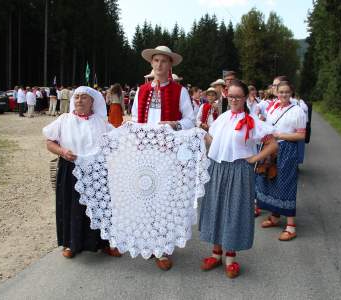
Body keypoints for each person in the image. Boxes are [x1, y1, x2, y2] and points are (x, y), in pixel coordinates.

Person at [199, 80, 278, 278]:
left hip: (240, 170)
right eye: (231, 96)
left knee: (233, 211)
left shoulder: (251, 122)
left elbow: (273, 145)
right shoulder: (222, 118)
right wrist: (199, 134)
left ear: (245, 98)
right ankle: (216, 253)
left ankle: (231, 257)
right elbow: (213, 140)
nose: (234, 99)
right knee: (216, 207)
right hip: (217, 168)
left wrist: (255, 159)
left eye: (238, 96)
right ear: (226, 96)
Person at [131, 45, 195, 270]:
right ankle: (151, 243)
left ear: (170, 65)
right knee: (147, 200)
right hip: (145, 154)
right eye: (156, 60)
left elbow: (190, 120)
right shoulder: (142, 90)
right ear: (151, 64)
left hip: (169, 155)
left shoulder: (180, 91)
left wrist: (175, 124)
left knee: (165, 201)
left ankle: (164, 248)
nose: (159, 65)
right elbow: (135, 121)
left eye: (164, 61)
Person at [42, 86, 120, 259]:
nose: (79, 101)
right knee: (73, 206)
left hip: (96, 170)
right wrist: (62, 152)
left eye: (84, 98)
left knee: (100, 205)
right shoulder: (64, 119)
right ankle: (71, 244)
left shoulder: (101, 122)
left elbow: (117, 142)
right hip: (71, 168)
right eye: (77, 97)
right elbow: (49, 142)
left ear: (93, 102)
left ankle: (105, 243)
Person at [256, 80, 306, 241]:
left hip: (287, 150)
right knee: (271, 180)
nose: (283, 94)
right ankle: (275, 216)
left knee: (286, 183)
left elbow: (301, 135)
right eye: (281, 92)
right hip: (271, 148)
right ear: (276, 92)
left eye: (286, 92)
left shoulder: (297, 111)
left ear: (291, 93)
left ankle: (291, 227)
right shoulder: (273, 107)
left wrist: (279, 135)